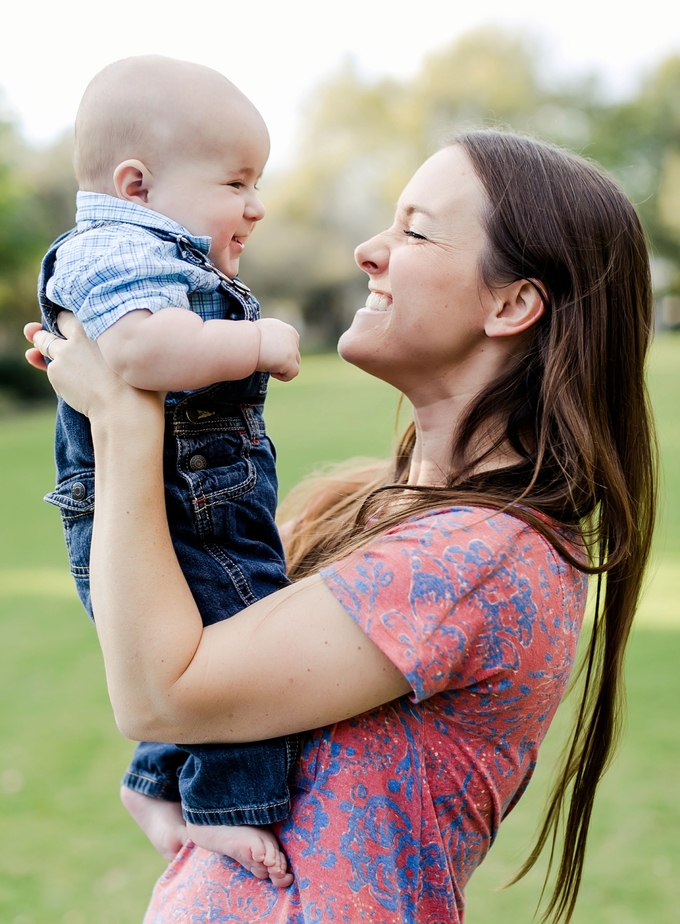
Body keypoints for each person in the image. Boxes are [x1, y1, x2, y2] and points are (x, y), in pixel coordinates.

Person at [25, 130, 657, 924]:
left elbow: (163, 695)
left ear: (512, 304)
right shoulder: (356, 503)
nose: (369, 250)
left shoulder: (482, 557)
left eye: (415, 230)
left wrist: (120, 417)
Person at [38, 56, 301, 885]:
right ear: (137, 183)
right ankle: (226, 812)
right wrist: (256, 341)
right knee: (250, 646)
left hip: (171, 498)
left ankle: (154, 783)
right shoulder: (121, 247)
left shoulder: (142, 247)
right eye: (236, 181)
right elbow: (146, 352)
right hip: (176, 504)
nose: (255, 205)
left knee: (191, 639)